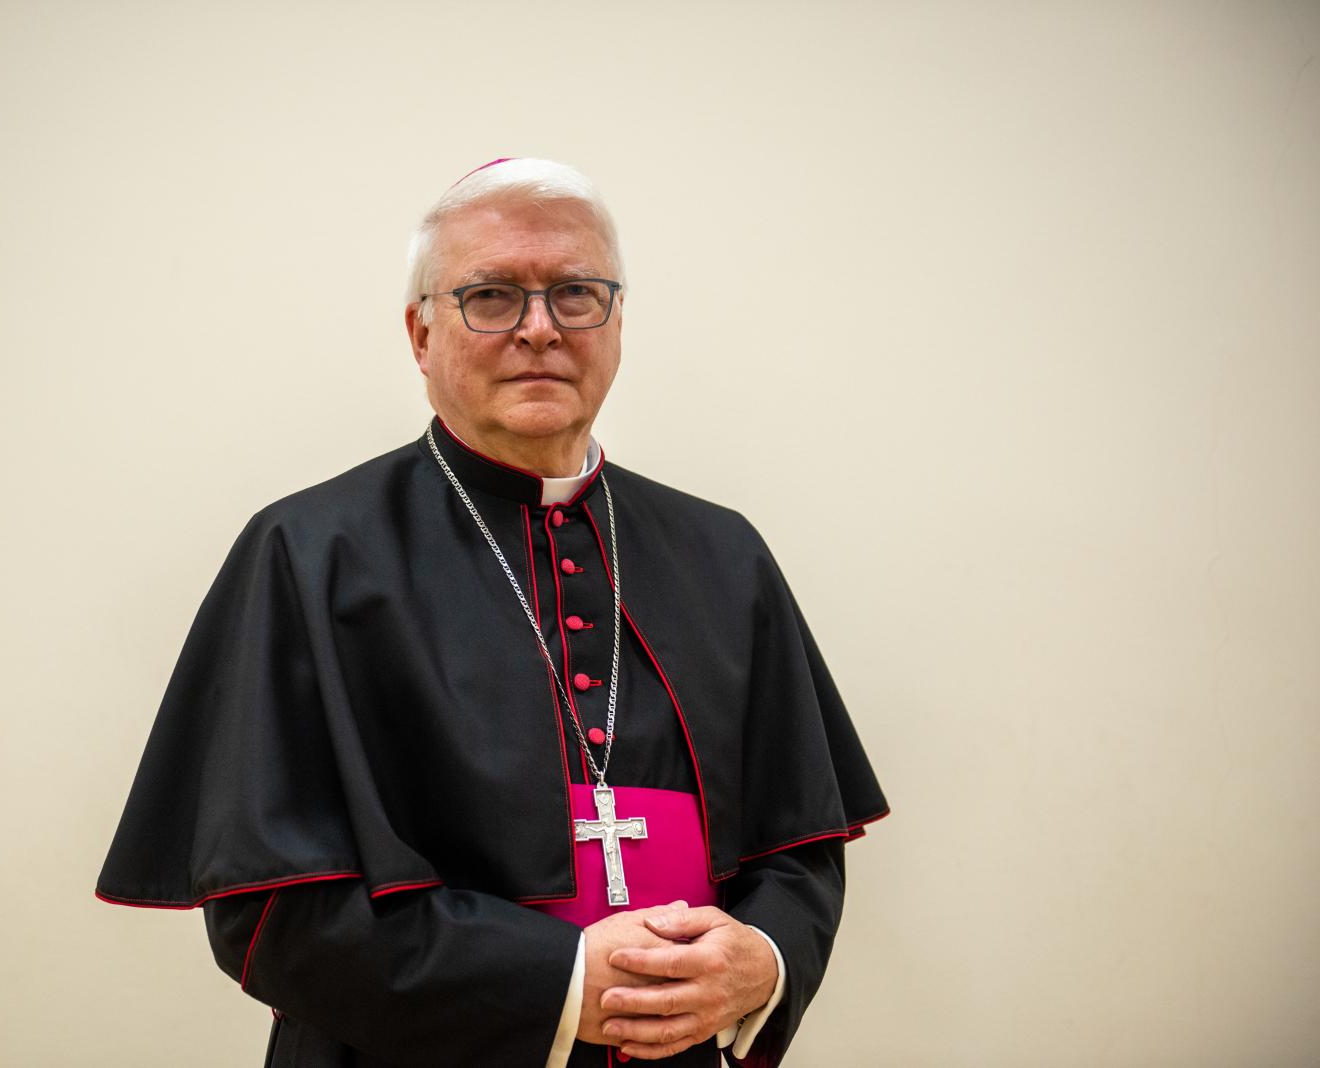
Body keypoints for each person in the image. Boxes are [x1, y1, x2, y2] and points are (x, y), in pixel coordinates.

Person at [96, 157, 888, 1067]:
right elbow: (271, 906)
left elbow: (802, 846)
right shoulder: (308, 554)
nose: (541, 329)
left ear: (617, 322)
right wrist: (553, 983)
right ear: (419, 333)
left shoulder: (723, 552)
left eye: (576, 293)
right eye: (493, 297)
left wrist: (768, 958)